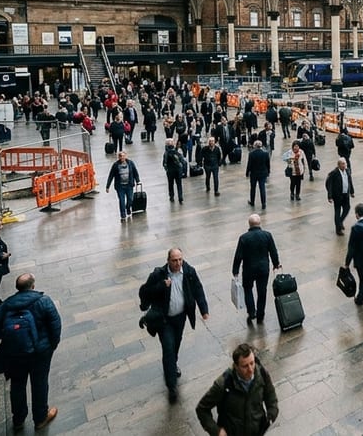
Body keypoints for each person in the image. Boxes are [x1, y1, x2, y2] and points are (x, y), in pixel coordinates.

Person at [0, 273, 62, 430]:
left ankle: (18, 419)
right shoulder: (44, 301)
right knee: (40, 383)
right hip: (40, 352)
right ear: (33, 286)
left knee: (17, 385)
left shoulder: (5, 306)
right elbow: (55, 326)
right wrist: (51, 346)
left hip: (15, 354)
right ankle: (41, 418)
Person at [140, 248, 210, 403]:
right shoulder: (158, 274)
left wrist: (204, 309)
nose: (178, 263)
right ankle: (172, 386)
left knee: (175, 345)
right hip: (164, 320)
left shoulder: (189, 271)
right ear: (168, 261)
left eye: (180, 260)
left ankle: (172, 365)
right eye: (174, 260)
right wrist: (160, 286)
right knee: (168, 348)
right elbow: (145, 292)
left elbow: (198, 289)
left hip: (180, 319)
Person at [195, 343, 279, 435]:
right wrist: (217, 431)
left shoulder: (262, 374)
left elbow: (271, 397)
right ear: (236, 366)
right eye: (245, 366)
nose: (250, 369)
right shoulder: (223, 384)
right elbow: (202, 409)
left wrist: (271, 414)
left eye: (252, 363)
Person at [232, 214, 281, 325]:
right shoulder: (267, 235)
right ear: (259, 223)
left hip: (249, 269)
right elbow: (273, 251)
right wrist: (276, 263)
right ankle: (260, 314)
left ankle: (251, 311)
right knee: (262, 291)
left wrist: (235, 270)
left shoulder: (244, 238)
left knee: (248, 289)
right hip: (263, 269)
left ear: (249, 224)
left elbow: (238, 255)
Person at [105, 151, 142, 221]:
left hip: (129, 185)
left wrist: (137, 181)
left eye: (123, 156)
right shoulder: (115, 165)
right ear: (119, 157)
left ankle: (128, 208)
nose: (122, 158)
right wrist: (107, 186)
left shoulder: (130, 163)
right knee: (121, 200)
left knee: (130, 200)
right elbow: (111, 176)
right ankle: (123, 214)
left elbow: (135, 172)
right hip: (120, 187)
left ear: (126, 156)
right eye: (121, 156)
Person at [326, 157, 355, 236]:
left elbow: (350, 181)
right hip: (338, 196)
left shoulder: (347, 170)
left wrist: (352, 192)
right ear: (339, 165)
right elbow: (329, 184)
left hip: (346, 195)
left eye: (345, 163)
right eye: (343, 163)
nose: (345, 165)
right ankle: (338, 229)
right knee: (337, 211)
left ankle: (340, 221)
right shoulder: (334, 173)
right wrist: (330, 196)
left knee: (347, 208)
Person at [246, 140, 270, 209]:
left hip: (254, 173)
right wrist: (268, 172)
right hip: (263, 173)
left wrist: (247, 173)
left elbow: (249, 165)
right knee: (262, 188)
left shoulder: (251, 154)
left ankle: (252, 201)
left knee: (253, 188)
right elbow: (267, 164)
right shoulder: (265, 154)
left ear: (255, 146)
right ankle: (263, 203)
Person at [162, 138, 186, 203]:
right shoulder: (177, 151)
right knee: (179, 184)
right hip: (177, 170)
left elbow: (164, 163)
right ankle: (180, 198)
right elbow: (182, 160)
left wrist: (166, 169)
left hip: (170, 171)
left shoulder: (166, 152)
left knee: (170, 184)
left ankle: (171, 196)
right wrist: (183, 169)